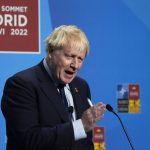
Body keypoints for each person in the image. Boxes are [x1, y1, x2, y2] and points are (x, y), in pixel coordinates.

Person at [1, 25, 106, 150]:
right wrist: (80, 126)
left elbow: (86, 141)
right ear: (50, 51)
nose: (75, 65)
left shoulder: (81, 86)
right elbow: (28, 139)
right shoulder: (21, 84)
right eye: (69, 56)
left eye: (80, 59)